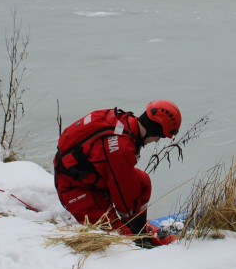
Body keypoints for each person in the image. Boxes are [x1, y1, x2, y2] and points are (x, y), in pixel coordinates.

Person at [53, 100, 182, 241]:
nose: (157, 140)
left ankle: (138, 228)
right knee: (124, 238)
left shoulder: (125, 121)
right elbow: (123, 196)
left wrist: (136, 223)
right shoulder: (122, 149)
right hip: (74, 190)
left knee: (143, 182)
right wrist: (136, 233)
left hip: (90, 176)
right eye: (160, 135)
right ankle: (137, 234)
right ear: (153, 128)